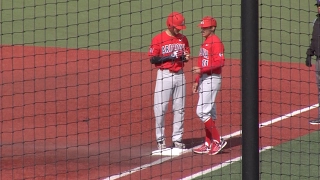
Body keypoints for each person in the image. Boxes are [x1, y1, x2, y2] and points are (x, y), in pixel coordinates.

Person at [148, 12, 191, 150]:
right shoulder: (158, 39)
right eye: (177, 27)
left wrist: (184, 57)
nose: (179, 29)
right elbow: (153, 59)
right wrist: (168, 57)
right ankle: (160, 140)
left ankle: (177, 139)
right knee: (160, 108)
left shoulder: (183, 39)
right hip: (164, 75)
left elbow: (185, 56)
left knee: (180, 108)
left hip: (180, 75)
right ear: (169, 25)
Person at [192, 16, 227, 155]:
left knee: (201, 111)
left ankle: (218, 140)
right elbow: (201, 63)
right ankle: (208, 143)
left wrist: (202, 71)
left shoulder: (216, 42)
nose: (202, 29)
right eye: (202, 27)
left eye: (205, 27)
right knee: (208, 112)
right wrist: (196, 80)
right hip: (204, 79)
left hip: (212, 78)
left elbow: (220, 62)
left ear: (212, 28)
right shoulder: (205, 43)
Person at [306, 0, 320, 125]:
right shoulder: (317, 22)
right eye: (318, 6)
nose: (319, 8)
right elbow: (314, 39)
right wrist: (309, 53)